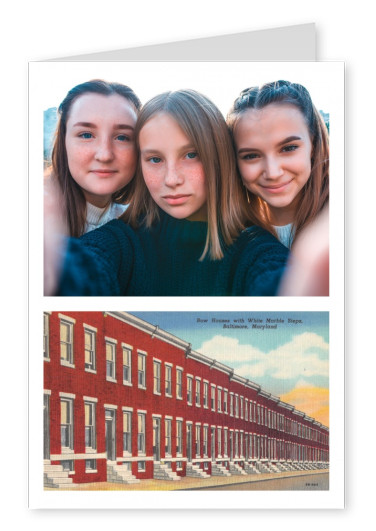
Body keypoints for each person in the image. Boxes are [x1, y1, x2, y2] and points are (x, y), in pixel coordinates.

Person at [47, 89, 289, 296]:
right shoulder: (122, 241)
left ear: (218, 158)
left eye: (191, 155)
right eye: (155, 159)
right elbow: (86, 266)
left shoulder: (257, 252)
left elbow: (280, 283)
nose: (171, 179)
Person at [227, 80, 329, 249]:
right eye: (251, 155)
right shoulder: (232, 237)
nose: (273, 172)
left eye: (288, 148)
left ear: (314, 145)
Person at [47, 79, 141, 237]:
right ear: (64, 142)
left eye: (122, 137)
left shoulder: (139, 227)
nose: (104, 155)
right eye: (86, 135)